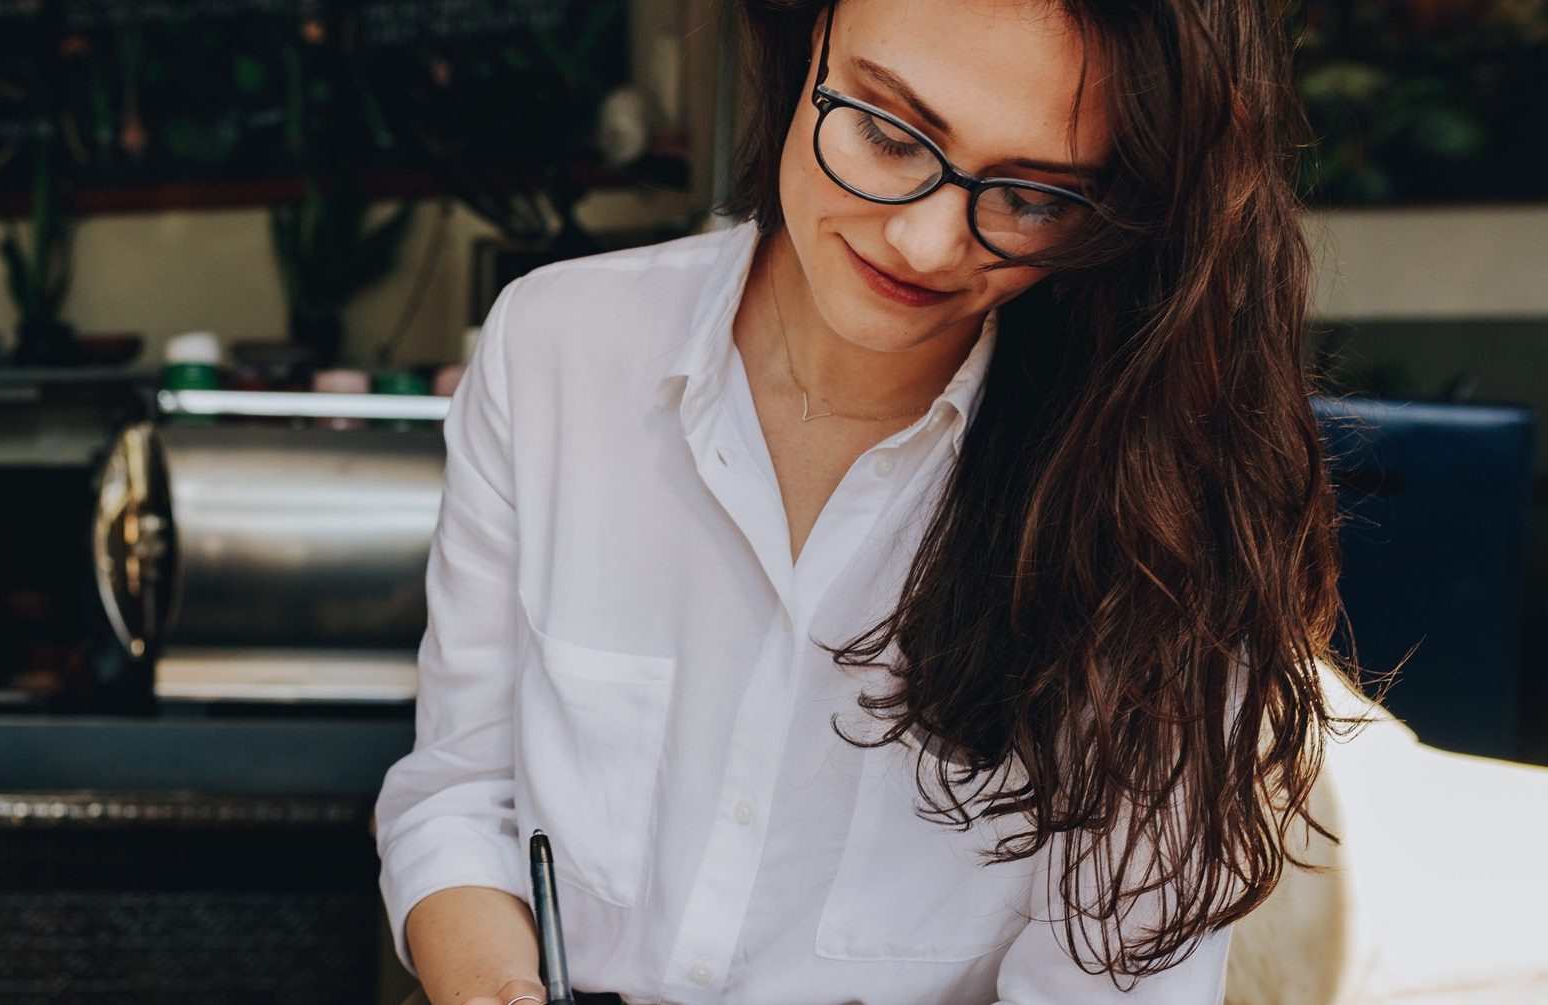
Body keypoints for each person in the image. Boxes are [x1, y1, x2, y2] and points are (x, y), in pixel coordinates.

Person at [374, 0, 1346, 1002]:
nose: (926, 245)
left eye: (1034, 198)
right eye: (888, 133)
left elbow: (1107, 984)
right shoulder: (560, 347)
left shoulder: (1155, 508)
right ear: (806, 38)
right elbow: (459, 795)